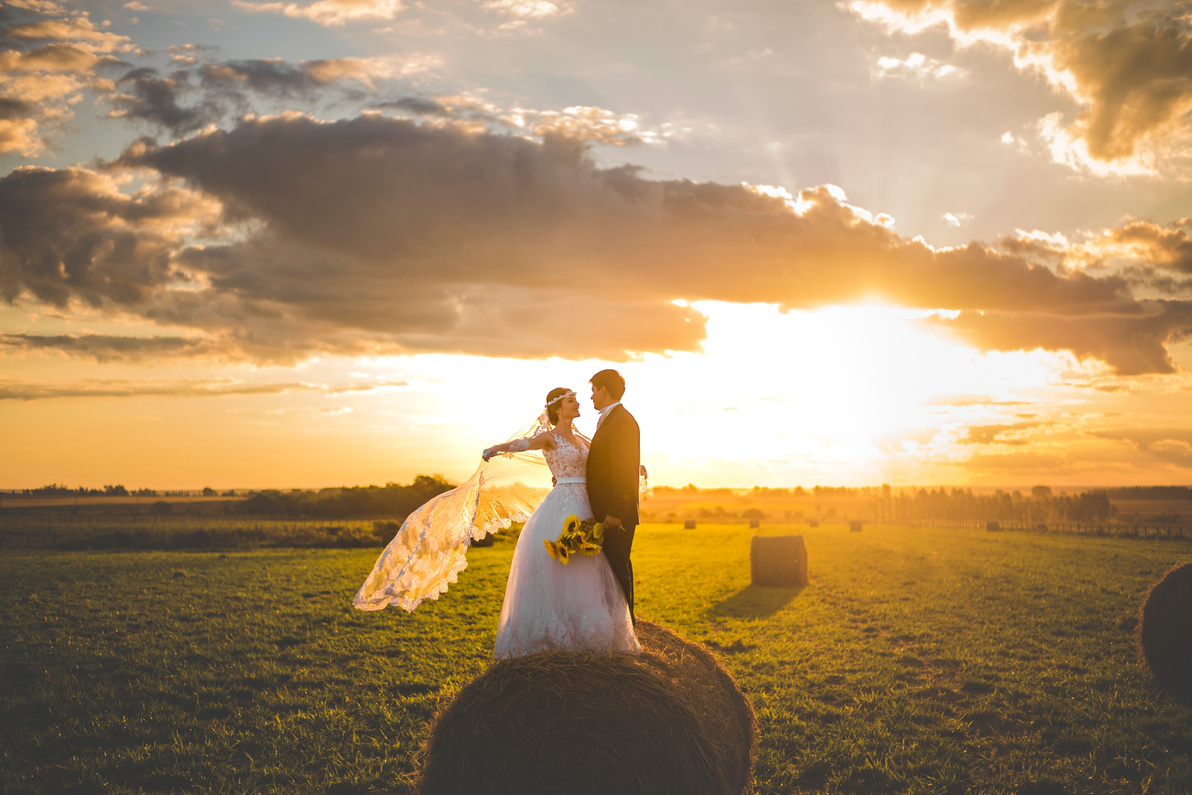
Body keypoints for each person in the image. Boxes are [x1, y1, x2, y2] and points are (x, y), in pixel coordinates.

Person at [482, 387, 640, 658]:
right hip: (562, 506)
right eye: (571, 401)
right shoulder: (549, 437)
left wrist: (636, 468)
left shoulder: (582, 439)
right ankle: (557, 631)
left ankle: (590, 630)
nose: (578, 403)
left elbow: (608, 460)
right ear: (558, 409)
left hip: (588, 507)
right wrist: (497, 448)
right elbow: (523, 443)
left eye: (576, 399)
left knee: (589, 565)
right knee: (562, 566)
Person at [585, 369, 641, 624]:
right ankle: (617, 628)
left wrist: (616, 512)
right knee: (611, 574)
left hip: (615, 515)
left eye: (593, 390)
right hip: (606, 511)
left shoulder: (621, 421)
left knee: (618, 573)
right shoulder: (612, 419)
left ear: (603, 390)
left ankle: (625, 632)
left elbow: (624, 469)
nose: (591, 397)